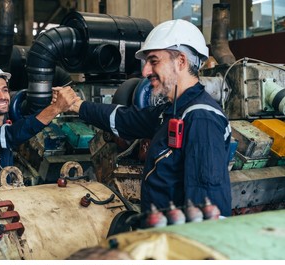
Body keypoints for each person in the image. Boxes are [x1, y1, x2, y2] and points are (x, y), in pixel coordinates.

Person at [53, 19, 232, 219]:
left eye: (154, 61)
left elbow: (210, 214)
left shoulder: (201, 119)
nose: (145, 71)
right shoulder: (172, 111)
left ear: (181, 61)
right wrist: (76, 105)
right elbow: (125, 119)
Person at [0, 62, 79, 188]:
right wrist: (56, 108)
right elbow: (12, 135)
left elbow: (25, 124)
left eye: (4, 90)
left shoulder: (2, 125)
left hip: (3, 201)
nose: (2, 96)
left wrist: (51, 103)